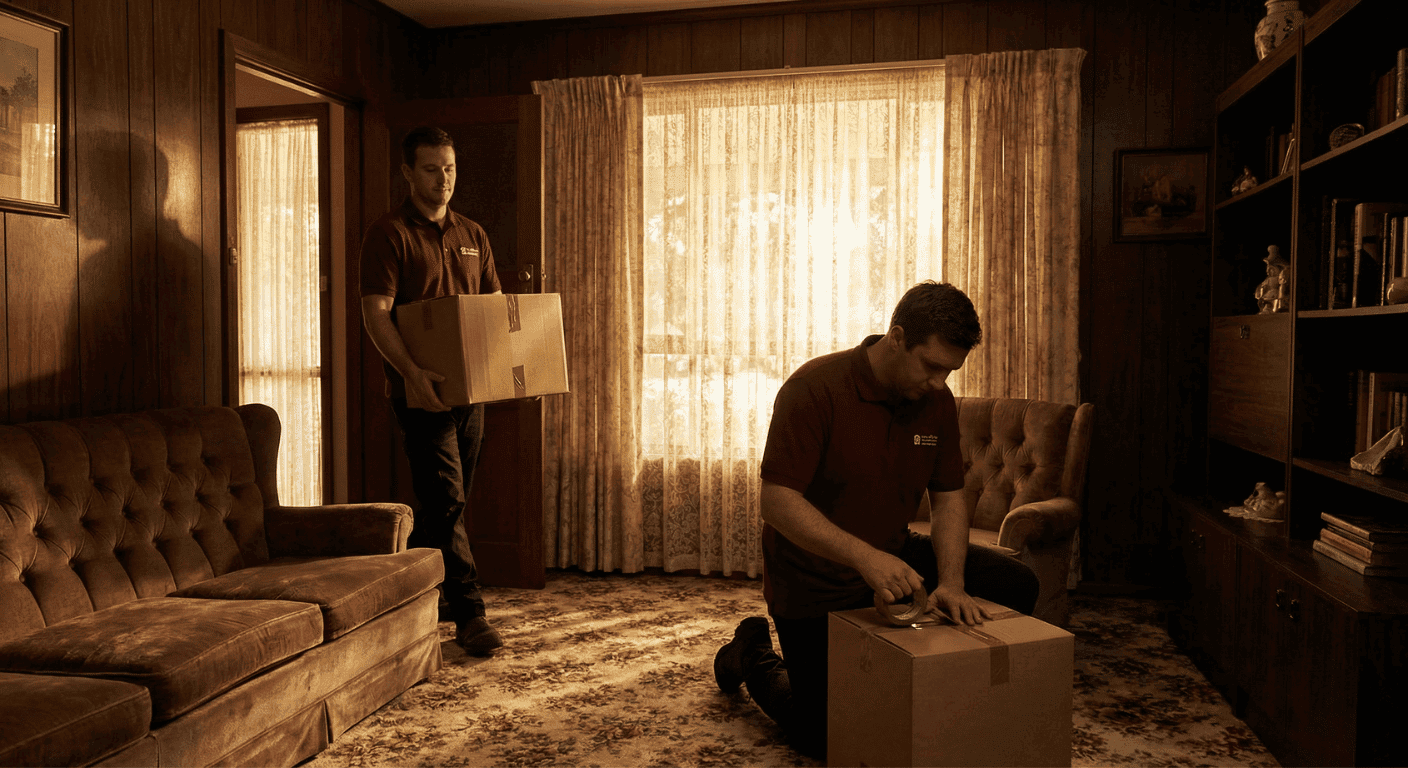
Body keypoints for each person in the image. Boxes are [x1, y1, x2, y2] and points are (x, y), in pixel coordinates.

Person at [712, 281, 1039, 759]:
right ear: (898, 337)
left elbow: (948, 498)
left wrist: (950, 581)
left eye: (949, 371)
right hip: (812, 581)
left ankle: (949, 688)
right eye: (932, 366)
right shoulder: (813, 389)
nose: (939, 383)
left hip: (894, 556)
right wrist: (865, 558)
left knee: (1016, 584)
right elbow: (777, 501)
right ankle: (752, 651)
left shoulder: (936, 402)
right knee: (824, 736)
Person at [360, 126, 505, 655]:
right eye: (430, 169)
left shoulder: (473, 233)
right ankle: (470, 614)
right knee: (446, 496)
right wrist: (411, 374)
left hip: (472, 391)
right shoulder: (390, 234)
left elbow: (494, 310)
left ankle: (413, 592)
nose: (442, 179)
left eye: (449, 168)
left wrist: (517, 369)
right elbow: (375, 314)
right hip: (420, 392)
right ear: (407, 172)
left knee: (448, 502)